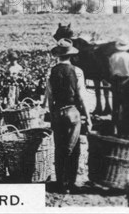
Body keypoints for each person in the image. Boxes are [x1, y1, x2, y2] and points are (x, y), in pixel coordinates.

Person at [45, 38, 92, 194]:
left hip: (58, 112)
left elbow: (50, 98)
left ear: (58, 54)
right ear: (70, 55)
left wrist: (52, 115)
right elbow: (82, 96)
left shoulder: (51, 71)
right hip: (73, 112)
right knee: (74, 148)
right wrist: (88, 117)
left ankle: (60, 182)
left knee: (59, 147)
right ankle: (70, 183)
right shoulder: (77, 71)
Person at [109, 35, 129, 135]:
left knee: (116, 106)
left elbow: (111, 70)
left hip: (116, 81)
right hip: (128, 82)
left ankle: (115, 128)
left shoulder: (113, 56)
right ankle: (127, 129)